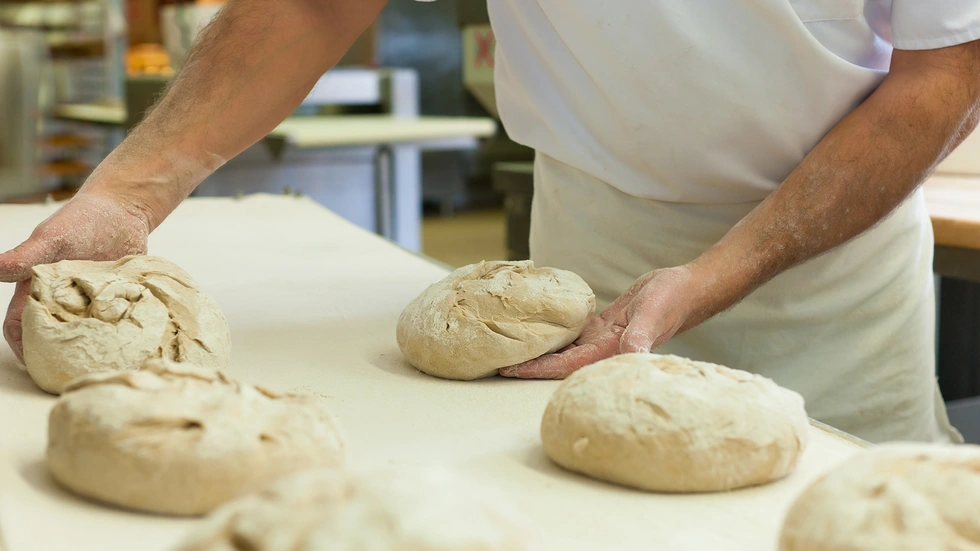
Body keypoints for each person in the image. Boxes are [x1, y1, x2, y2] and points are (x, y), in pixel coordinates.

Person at [1, 0, 977, 443]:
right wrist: (128, 190)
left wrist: (718, 270)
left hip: (825, 264)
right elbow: (309, 7)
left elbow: (942, 77)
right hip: (587, 254)